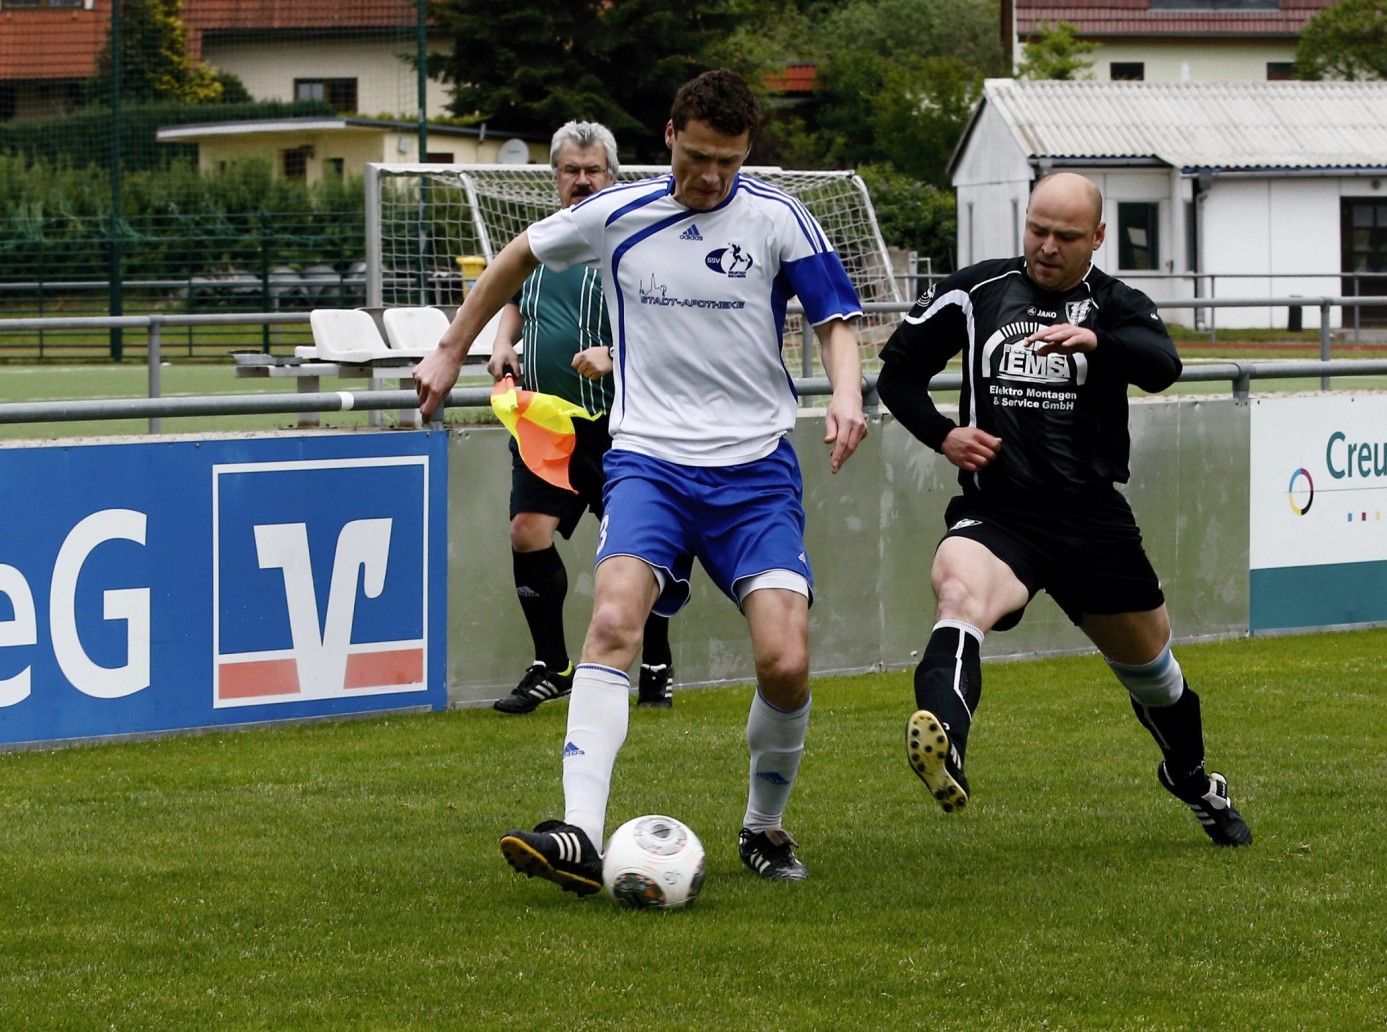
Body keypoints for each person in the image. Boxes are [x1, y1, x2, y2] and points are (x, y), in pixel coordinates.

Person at [413, 69, 869, 891]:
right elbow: (518, 255)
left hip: (753, 473)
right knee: (615, 619)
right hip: (649, 461)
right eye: (698, 158)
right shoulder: (616, 213)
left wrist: (843, 395)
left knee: (785, 660)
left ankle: (763, 828)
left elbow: (836, 319)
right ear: (669, 137)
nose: (711, 178)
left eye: (728, 162)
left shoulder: (777, 217)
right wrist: (452, 348)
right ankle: (579, 834)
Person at [875, 171, 1251, 846]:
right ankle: (945, 745)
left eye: (1066, 236)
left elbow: (1163, 363)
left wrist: (1097, 344)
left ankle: (1192, 779)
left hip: (1091, 521)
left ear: (1097, 238)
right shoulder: (975, 291)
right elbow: (897, 373)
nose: (1046, 247)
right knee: (958, 594)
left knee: (1158, 678)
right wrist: (944, 435)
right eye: (1037, 229)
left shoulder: (1113, 302)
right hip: (1000, 515)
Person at [485, 120, 676, 714]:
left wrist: (613, 356)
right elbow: (515, 300)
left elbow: (672, 333)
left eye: (594, 170)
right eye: (572, 170)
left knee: (637, 547)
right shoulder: (539, 242)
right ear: (556, 178)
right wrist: (502, 341)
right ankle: (552, 665)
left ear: (613, 176)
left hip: (620, 422)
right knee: (527, 532)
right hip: (544, 420)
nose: (584, 181)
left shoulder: (636, 244)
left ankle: (656, 662)